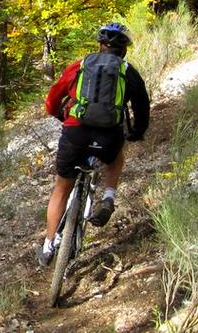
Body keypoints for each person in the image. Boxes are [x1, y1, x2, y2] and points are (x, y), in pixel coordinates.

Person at [36, 22, 150, 266]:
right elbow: (142, 106)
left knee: (61, 188)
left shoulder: (80, 66)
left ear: (99, 46)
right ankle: (108, 196)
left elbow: (53, 98)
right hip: (108, 136)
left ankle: (48, 245)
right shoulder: (128, 72)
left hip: (75, 132)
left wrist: (60, 115)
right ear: (124, 51)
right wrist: (137, 132)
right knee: (117, 154)